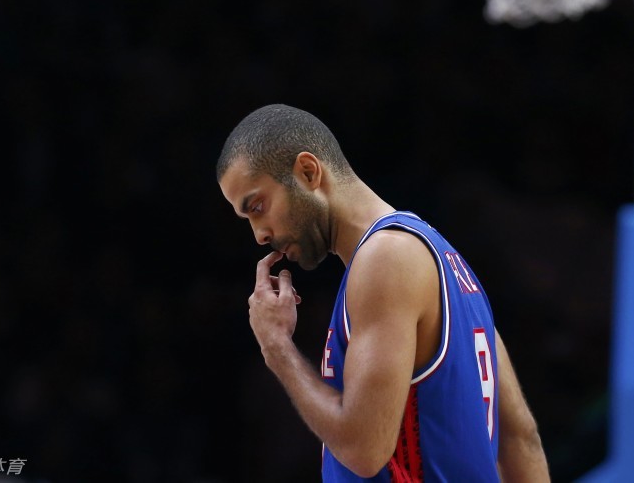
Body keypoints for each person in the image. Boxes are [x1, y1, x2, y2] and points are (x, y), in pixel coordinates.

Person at [217, 104, 550, 482]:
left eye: (258, 207)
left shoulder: (385, 260)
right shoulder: (446, 261)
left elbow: (364, 449)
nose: (259, 235)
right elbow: (521, 438)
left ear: (308, 172)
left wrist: (276, 347)